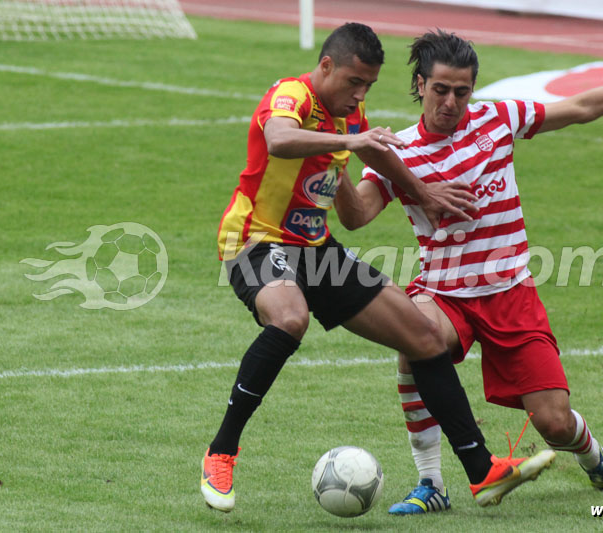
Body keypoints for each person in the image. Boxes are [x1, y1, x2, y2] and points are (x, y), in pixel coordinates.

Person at [334, 29, 603, 515]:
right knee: (414, 337)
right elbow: (355, 216)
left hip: (512, 295)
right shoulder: (395, 152)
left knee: (554, 424)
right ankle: (431, 483)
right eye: (441, 89)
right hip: (444, 294)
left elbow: (580, 107)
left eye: (462, 91)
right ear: (420, 84)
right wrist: (334, 162)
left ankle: (594, 456)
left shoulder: (497, 119)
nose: (451, 102)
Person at [203, 23, 556, 514]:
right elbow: (280, 139)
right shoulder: (292, 95)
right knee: (289, 318)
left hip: (316, 247)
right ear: (326, 67)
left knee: (423, 338)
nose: (360, 94)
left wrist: (424, 192)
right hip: (256, 241)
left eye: (368, 85)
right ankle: (221, 453)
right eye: (353, 82)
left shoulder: (352, 110)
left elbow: (373, 151)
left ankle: (482, 472)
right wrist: (348, 140)